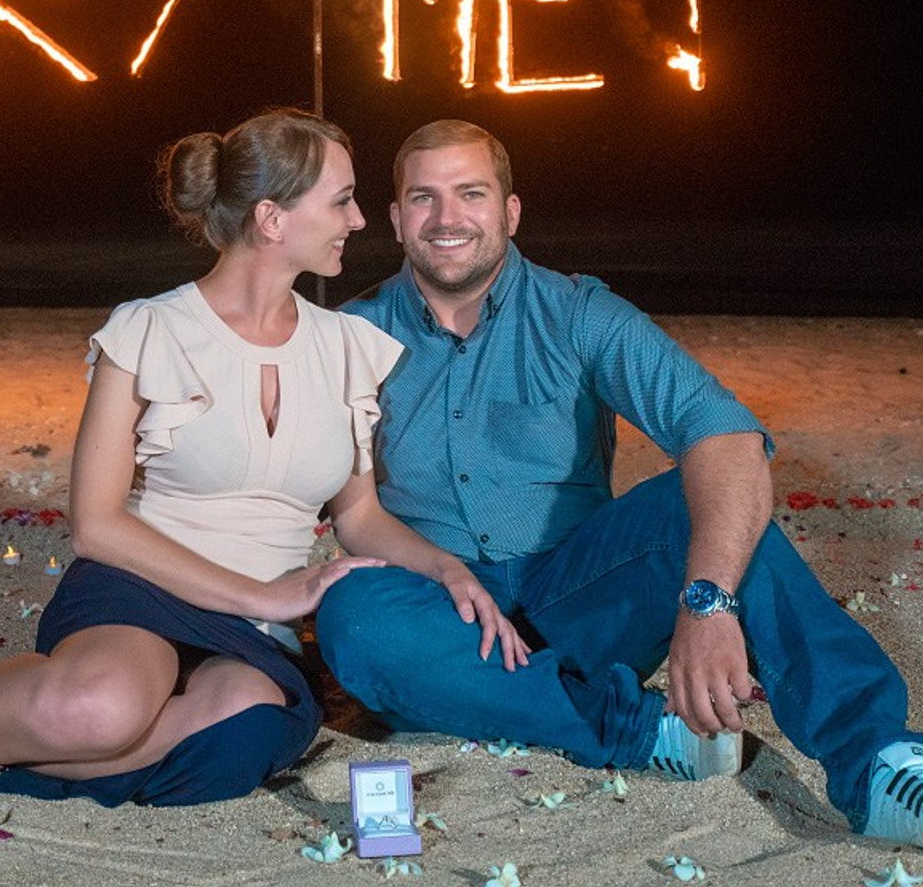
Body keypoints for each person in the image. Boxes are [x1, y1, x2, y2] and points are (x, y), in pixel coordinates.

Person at [0, 108, 527, 808]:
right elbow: (96, 525)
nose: (359, 220)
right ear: (272, 219)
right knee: (102, 710)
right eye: (342, 200)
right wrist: (264, 593)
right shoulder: (149, 331)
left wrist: (447, 570)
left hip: (257, 632)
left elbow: (359, 514)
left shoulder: (349, 346)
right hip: (144, 589)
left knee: (239, 737)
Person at [316, 118, 923, 844]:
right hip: (440, 616)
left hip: (582, 603)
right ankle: (634, 729)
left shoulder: (579, 314)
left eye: (470, 193)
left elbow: (724, 437)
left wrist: (706, 602)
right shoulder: (347, 336)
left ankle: (878, 762)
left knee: (709, 506)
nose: (447, 218)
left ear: (511, 211)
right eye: (424, 198)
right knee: (353, 615)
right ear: (395, 218)